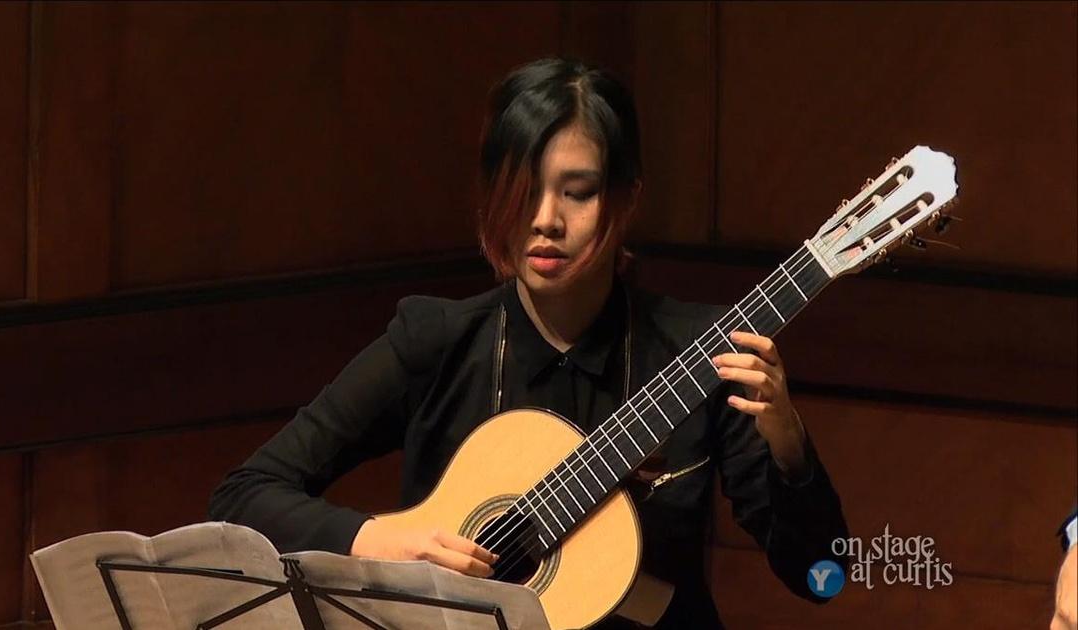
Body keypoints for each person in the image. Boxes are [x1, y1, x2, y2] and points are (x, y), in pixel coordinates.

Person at [209, 57, 848, 629]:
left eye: (578, 192)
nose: (545, 219)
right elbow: (244, 495)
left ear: (627, 199)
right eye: (523, 190)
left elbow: (822, 578)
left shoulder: (705, 353)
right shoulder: (436, 340)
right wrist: (382, 542)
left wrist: (789, 446)